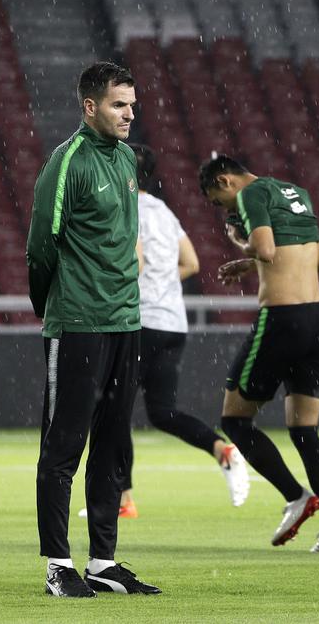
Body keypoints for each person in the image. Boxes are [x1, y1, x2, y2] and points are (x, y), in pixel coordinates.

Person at [26, 61, 160, 597]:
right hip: (79, 324)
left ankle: (103, 563)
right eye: (118, 104)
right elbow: (40, 245)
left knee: (111, 446)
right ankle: (59, 564)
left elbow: (125, 244)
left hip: (126, 322)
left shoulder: (127, 158)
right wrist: (52, 308)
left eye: (131, 104)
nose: (130, 113)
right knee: (63, 448)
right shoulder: (66, 163)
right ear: (89, 107)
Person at [199, 155, 319, 552]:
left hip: (282, 319)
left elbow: (265, 248)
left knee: (233, 420)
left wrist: (239, 241)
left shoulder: (250, 195)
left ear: (226, 180)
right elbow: (317, 259)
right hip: (317, 319)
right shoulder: (295, 192)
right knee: (304, 431)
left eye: (219, 200)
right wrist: (250, 264)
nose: (225, 209)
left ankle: (295, 496)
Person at [111, 144, 250, 514]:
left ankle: (122, 498)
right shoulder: (163, 210)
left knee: (113, 408)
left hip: (139, 322)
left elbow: (135, 263)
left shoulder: (124, 208)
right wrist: (163, 284)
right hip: (173, 323)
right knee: (162, 412)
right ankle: (220, 448)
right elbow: (190, 262)